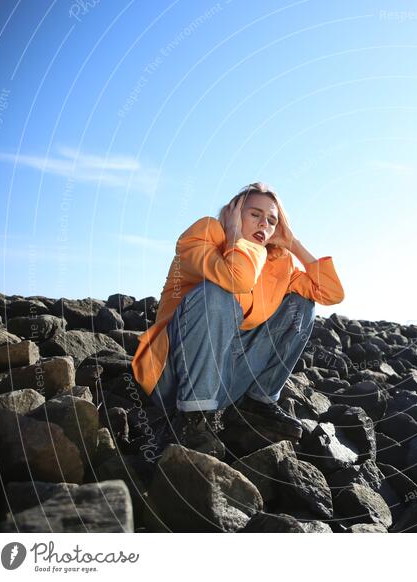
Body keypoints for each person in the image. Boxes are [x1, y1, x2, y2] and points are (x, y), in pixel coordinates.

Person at [131, 182, 345, 459]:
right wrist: (234, 236)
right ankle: (192, 421)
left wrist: (293, 244)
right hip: (173, 375)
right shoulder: (205, 234)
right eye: (255, 214)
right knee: (217, 293)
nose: (264, 225)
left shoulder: (280, 263)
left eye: (272, 220)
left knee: (302, 304)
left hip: (227, 378)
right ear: (234, 212)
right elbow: (237, 278)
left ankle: (258, 404)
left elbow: (331, 293)